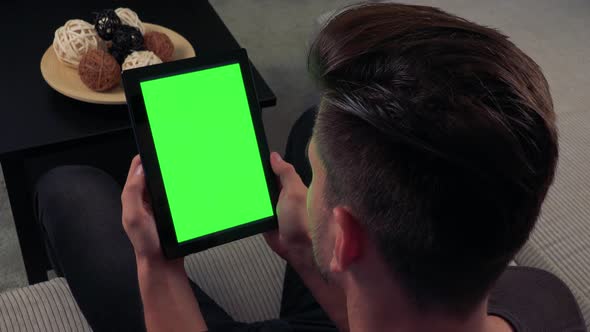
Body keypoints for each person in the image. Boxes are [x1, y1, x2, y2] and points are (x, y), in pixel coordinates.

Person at [34, 3, 587, 332]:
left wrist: (158, 265)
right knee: (309, 125)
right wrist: (304, 247)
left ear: (345, 240)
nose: (301, 185)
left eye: (315, 179)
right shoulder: (545, 301)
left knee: (66, 187)